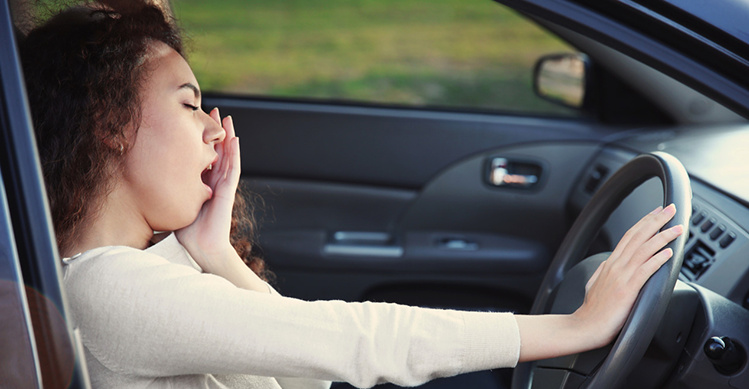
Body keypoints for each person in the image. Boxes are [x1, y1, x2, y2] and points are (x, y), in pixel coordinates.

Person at [18, 1, 683, 388]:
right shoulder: (109, 287)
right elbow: (349, 338)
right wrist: (573, 328)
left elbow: (308, 373)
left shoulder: (145, 272)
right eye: (191, 104)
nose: (215, 133)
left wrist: (215, 253)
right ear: (110, 123)